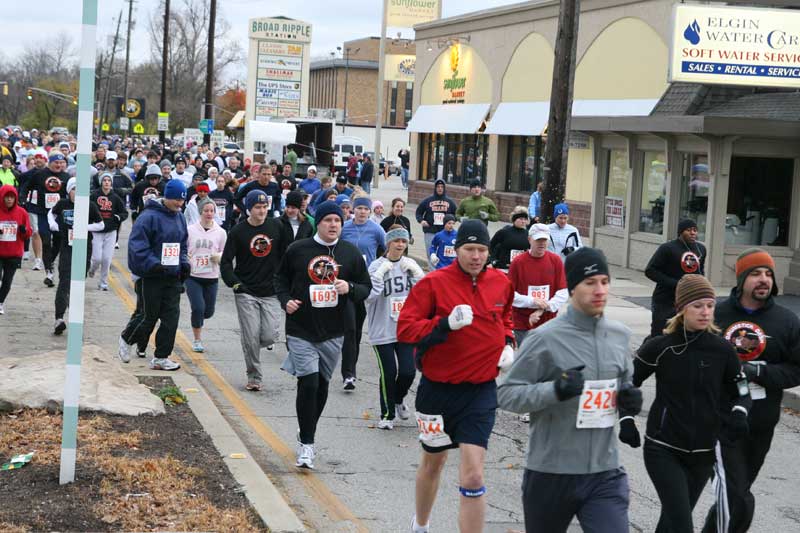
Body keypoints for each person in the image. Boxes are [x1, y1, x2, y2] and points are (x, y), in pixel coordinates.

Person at [497, 247, 642, 533]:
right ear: (573, 288)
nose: (599, 289)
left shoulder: (619, 335)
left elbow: (623, 385)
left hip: (604, 472)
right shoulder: (544, 339)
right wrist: (556, 390)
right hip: (551, 473)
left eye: (604, 281)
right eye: (590, 283)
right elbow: (507, 394)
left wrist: (628, 403)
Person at [397, 220, 515, 533]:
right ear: (457, 250)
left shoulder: (501, 283)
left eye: (481, 250)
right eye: (469, 249)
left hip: (480, 392)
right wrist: (444, 324)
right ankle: (420, 524)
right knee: (433, 463)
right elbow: (406, 329)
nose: (476, 256)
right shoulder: (433, 283)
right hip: (437, 391)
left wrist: (508, 343)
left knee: (474, 474)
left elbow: (505, 319)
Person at [634, 274, 751, 533]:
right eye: (697, 305)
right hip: (663, 448)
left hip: (703, 453)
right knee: (682, 525)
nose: (705, 312)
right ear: (681, 309)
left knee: (673, 521)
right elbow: (628, 382)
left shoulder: (723, 350)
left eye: (710, 305)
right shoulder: (660, 346)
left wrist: (740, 412)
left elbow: (742, 390)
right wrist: (626, 418)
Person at [702, 248, 800, 533]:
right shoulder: (717, 314)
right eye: (756, 273)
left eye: (768, 274)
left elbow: (796, 369)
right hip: (721, 421)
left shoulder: (787, 321)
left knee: (735, 495)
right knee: (737, 497)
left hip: (760, 422)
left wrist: (759, 371)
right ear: (741, 278)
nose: (764, 280)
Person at [274, 201, 371, 469]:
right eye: (328, 220)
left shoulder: (350, 253)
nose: (333, 225)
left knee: (323, 386)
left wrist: (349, 287)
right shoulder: (298, 249)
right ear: (319, 223)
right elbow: (280, 279)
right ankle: (307, 445)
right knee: (309, 383)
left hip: (333, 330)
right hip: (300, 328)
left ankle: (307, 429)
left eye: (338, 221)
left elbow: (366, 287)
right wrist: (286, 301)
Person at [118, 179, 189, 371]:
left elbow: (183, 244)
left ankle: (161, 357)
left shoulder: (180, 217)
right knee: (149, 315)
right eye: (175, 199)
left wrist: (184, 263)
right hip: (151, 276)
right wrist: (153, 264)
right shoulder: (148, 216)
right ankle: (126, 338)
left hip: (172, 276)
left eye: (182, 200)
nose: (179, 203)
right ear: (166, 196)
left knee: (171, 318)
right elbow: (137, 246)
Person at [220, 190, 286, 391]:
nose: (262, 211)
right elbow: (225, 263)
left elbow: (287, 254)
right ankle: (254, 376)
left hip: (271, 292)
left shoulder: (276, 227)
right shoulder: (238, 232)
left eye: (265, 206)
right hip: (246, 291)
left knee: (268, 336)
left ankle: (252, 346)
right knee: (250, 337)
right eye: (258, 207)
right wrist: (234, 283)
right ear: (249, 208)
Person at [366, 226, 424, 429]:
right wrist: (380, 275)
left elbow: (424, 295)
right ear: (388, 243)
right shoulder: (376, 266)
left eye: (403, 241)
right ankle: (387, 415)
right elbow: (369, 297)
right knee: (389, 373)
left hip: (405, 329)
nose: (400, 244)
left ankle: (398, 399)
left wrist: (418, 274)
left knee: (408, 372)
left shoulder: (410, 265)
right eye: (396, 241)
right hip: (382, 329)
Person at [340, 196, 386, 390]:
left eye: (365, 209)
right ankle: (348, 374)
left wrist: (377, 269)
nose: (361, 212)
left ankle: (351, 366)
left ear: (369, 211)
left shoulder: (376, 230)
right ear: (353, 210)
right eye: (358, 208)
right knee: (348, 328)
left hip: (364, 283)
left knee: (357, 328)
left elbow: (386, 250)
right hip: (345, 281)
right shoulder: (345, 228)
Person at [49, 178, 104, 334]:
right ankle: (58, 319)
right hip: (67, 247)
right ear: (69, 191)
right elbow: (51, 213)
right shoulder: (63, 204)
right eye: (73, 189)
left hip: (84, 248)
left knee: (77, 284)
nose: (76, 193)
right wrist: (53, 224)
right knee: (64, 282)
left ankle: (75, 318)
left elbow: (101, 224)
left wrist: (84, 227)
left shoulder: (90, 206)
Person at [645, 218, 707, 339]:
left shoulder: (701, 249)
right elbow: (650, 271)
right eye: (689, 230)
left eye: (695, 230)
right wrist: (677, 284)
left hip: (688, 300)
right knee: (660, 333)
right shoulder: (667, 248)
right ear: (680, 232)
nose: (693, 233)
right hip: (665, 300)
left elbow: (700, 271)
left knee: (683, 334)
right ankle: (646, 353)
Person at [508, 223, 568, 345]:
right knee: (528, 360)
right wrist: (532, 301)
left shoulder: (555, 261)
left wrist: (544, 308)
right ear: (530, 239)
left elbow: (563, 292)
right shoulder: (518, 262)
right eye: (538, 239)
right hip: (523, 322)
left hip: (548, 321)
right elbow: (509, 295)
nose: (542, 243)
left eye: (544, 240)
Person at [185, 197, 226, 353]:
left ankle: (199, 319)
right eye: (206, 210)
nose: (209, 213)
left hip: (212, 276)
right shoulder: (190, 230)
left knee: (208, 312)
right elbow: (183, 248)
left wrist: (220, 256)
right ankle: (197, 340)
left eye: (212, 211)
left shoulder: (221, 233)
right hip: (193, 276)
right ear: (200, 212)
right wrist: (186, 257)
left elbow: (225, 253)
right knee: (198, 308)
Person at [89, 173, 128, 290]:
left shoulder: (115, 197)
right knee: (96, 258)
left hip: (111, 231)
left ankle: (103, 283)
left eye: (109, 180)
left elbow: (124, 213)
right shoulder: (94, 195)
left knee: (106, 259)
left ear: (111, 183)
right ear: (101, 182)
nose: (106, 182)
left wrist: (118, 218)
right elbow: (88, 209)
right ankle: (91, 269)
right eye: (104, 180)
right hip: (96, 230)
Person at [0, 185, 32, 315]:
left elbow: (28, 233)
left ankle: (0, 302)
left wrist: (23, 231)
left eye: (12, 197)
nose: (9, 200)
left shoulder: (22, 212)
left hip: (13, 253)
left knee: (7, 281)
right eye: (6, 197)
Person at [416, 178, 457, 268]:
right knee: (431, 253)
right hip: (430, 230)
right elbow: (418, 212)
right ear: (435, 188)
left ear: (444, 188)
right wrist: (421, 221)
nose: (440, 188)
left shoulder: (449, 202)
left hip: (445, 232)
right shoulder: (428, 201)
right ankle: (433, 274)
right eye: (438, 187)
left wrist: (452, 222)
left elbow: (456, 214)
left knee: (444, 255)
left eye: (442, 187)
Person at [489, 206, 530, 271]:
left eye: (525, 219)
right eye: (521, 219)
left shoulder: (528, 234)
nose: (523, 221)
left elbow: (530, 250)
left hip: (520, 268)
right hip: (503, 267)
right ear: (514, 219)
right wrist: (493, 260)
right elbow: (491, 245)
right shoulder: (504, 232)